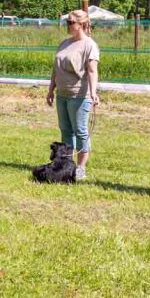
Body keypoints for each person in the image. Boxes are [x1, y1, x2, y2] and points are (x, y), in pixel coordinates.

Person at [45, 9, 101, 180]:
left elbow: (92, 71)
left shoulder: (89, 45)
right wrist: (51, 89)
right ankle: (66, 166)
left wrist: (93, 93)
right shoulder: (64, 43)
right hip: (62, 94)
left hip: (79, 95)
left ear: (81, 25)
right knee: (66, 131)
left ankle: (81, 167)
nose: (67, 25)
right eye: (66, 22)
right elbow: (56, 69)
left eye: (70, 22)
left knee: (80, 131)